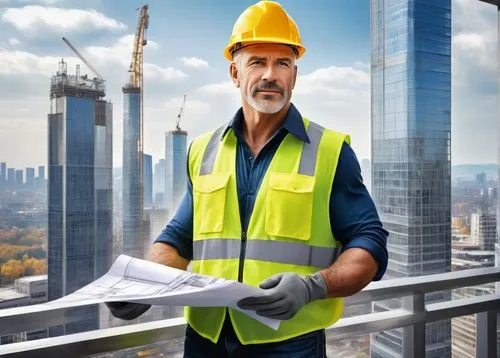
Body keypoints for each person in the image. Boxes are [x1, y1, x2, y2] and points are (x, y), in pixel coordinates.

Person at [107, 1, 389, 357]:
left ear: (294, 76)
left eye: (282, 63)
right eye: (257, 61)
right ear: (235, 73)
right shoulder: (202, 150)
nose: (270, 74)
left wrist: (312, 287)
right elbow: (178, 239)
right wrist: (147, 284)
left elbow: (370, 245)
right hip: (204, 341)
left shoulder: (331, 152)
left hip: (290, 344)